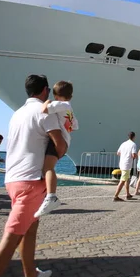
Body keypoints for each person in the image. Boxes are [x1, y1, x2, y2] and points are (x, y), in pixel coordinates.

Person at [0, 74, 67, 277]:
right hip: (31, 182)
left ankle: (31, 275)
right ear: (45, 90)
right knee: (9, 241)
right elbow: (60, 145)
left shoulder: (17, 113)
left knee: (30, 229)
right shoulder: (45, 111)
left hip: (13, 179)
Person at [34, 81, 79, 218]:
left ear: (55, 95)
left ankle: (51, 196)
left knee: (47, 168)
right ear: (70, 96)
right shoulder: (68, 107)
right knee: (46, 167)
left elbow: (44, 110)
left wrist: (47, 101)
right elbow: (75, 126)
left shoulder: (60, 105)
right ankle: (46, 193)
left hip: (57, 141)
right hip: (66, 140)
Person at [113, 132, 137, 201]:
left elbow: (118, 153)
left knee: (127, 179)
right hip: (127, 164)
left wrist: (124, 154)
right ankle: (116, 196)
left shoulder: (123, 143)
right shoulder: (133, 144)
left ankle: (127, 194)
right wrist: (136, 156)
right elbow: (133, 155)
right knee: (123, 180)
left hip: (122, 163)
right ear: (134, 137)